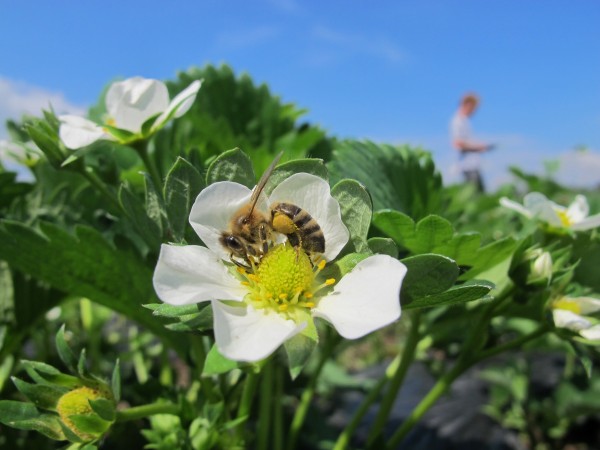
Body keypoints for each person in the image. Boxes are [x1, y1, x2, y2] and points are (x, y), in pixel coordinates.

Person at [450, 93, 494, 192]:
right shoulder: (458, 121)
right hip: (467, 165)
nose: (474, 111)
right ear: (468, 104)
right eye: (474, 108)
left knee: (480, 192)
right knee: (475, 194)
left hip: (473, 164)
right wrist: (478, 147)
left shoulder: (465, 121)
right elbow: (458, 143)